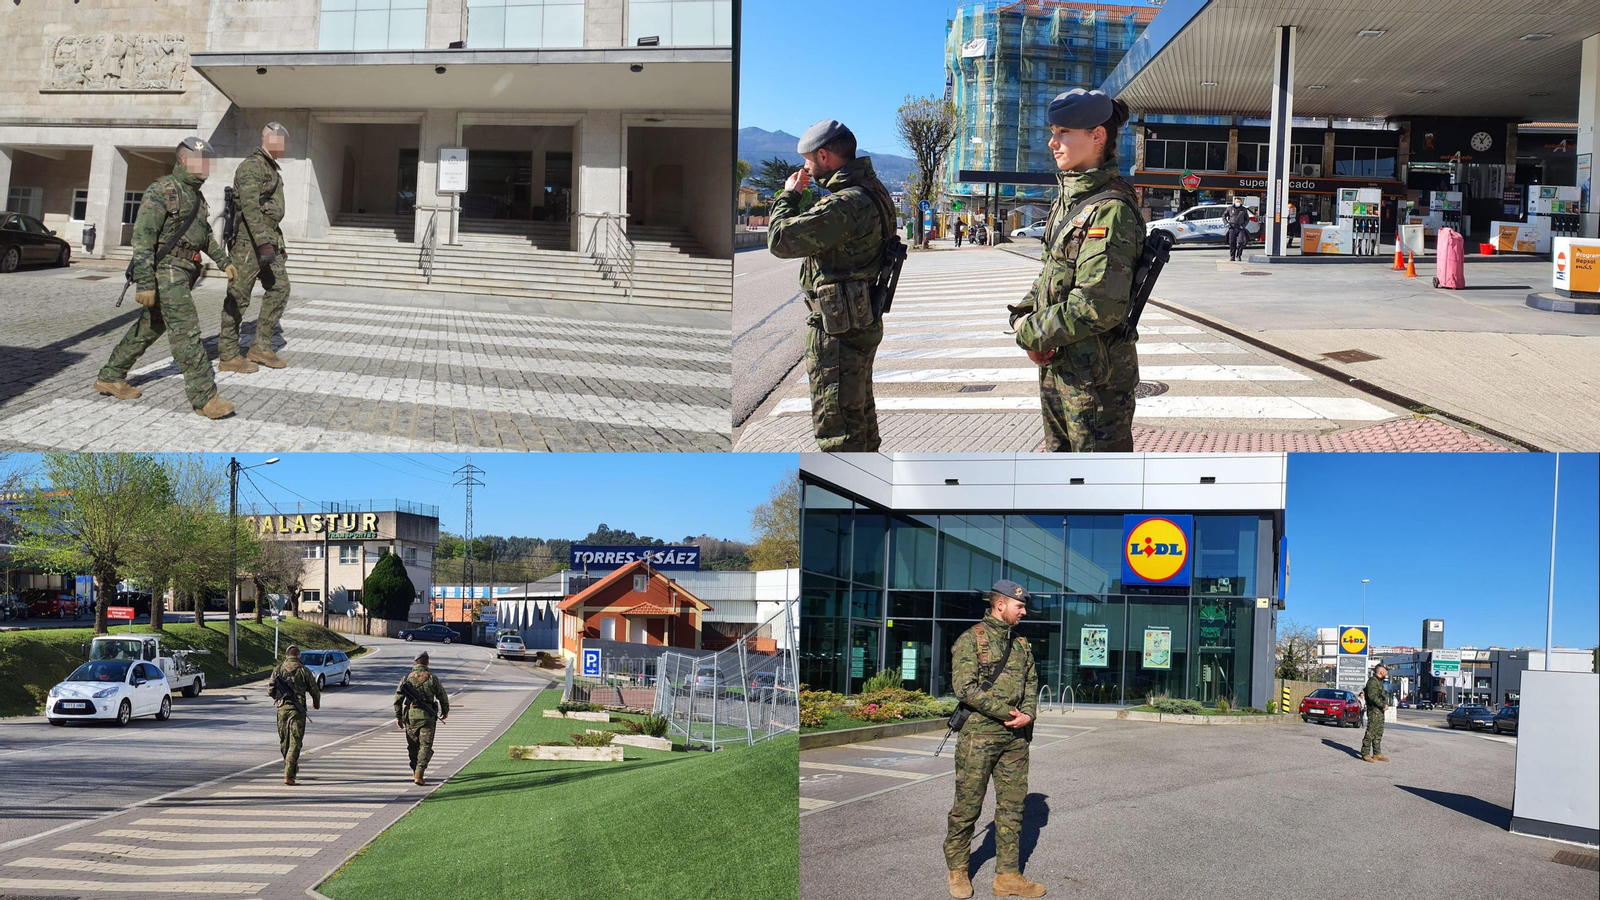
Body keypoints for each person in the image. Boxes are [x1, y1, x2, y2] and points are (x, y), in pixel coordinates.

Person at [1009, 88, 1143, 452]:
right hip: (1063, 367)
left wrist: (1032, 332)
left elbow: (1097, 306)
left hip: (1096, 384)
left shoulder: (1110, 210)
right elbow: (1051, 273)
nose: (1053, 143)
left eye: (1064, 132)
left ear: (1097, 135)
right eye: (1053, 132)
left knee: (1100, 493)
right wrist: (1023, 316)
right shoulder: (1071, 200)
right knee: (1062, 481)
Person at [766, 119, 897, 452]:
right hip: (861, 319)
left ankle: (848, 493)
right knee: (859, 415)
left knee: (838, 429)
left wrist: (788, 196)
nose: (806, 167)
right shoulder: (875, 190)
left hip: (838, 330)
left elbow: (780, 240)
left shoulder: (846, 203)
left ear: (824, 156)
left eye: (809, 160)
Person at [95, 136, 238, 418]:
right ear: (185, 161)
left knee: (150, 327)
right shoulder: (162, 189)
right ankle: (205, 398)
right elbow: (143, 238)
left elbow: (204, 236)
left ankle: (111, 375)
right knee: (186, 330)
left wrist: (224, 261)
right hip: (167, 270)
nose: (207, 165)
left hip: (185, 271)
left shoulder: (195, 195)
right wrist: (146, 283)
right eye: (202, 160)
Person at [944, 580, 1042, 899]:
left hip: (1016, 739)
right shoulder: (970, 640)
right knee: (968, 805)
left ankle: (1008, 876)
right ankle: (958, 869)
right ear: (1000, 604)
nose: (1024, 611)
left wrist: (1027, 713)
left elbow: (1031, 682)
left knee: (1013, 807)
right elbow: (965, 689)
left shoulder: (1022, 645)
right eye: (1020, 606)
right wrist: (1006, 712)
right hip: (979, 737)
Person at [221, 122, 292, 371]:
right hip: (247, 244)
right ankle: (228, 354)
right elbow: (250, 209)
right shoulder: (252, 166)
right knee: (238, 296)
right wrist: (263, 243)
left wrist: (277, 244)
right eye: (281, 140)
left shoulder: (270, 169)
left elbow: (270, 214)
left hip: (266, 241)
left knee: (280, 288)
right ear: (269, 139)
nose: (284, 146)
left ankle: (261, 346)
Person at [395, 651, 450, 785]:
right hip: (427, 718)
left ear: (415, 663)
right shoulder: (432, 678)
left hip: (411, 717)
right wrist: (445, 710)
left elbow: (398, 699)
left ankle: (415, 771)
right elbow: (442, 696)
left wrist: (399, 717)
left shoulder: (407, 678)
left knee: (413, 746)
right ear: (427, 663)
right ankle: (419, 773)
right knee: (425, 746)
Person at [269, 645, 321, 785]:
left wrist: (279, 698)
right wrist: (316, 704)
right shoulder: (304, 670)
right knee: (295, 742)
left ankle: (290, 766)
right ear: (299, 656)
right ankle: (289, 775)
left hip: (281, 710)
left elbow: (270, 690)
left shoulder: (278, 669)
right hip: (297, 711)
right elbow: (315, 690)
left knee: (284, 740)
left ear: (286, 656)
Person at [1361, 662, 1389, 763]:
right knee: (1371, 732)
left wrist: (1385, 704)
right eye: (1386, 671)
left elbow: (1382, 695)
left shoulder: (1379, 681)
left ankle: (1377, 753)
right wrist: (1382, 704)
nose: (1387, 672)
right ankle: (1365, 753)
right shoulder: (1373, 681)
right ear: (1381, 671)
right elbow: (1372, 696)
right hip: (1374, 710)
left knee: (1378, 732)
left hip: (1379, 711)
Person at [1224, 197, 1250, 261]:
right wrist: (1226, 223)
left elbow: (1247, 219)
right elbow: (1224, 216)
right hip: (1232, 227)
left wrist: (1243, 225)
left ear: (1241, 202)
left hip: (1240, 228)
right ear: (1234, 202)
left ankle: (1239, 255)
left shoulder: (1244, 209)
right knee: (1232, 242)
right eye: (1236, 202)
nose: (1238, 203)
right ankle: (1232, 256)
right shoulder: (1230, 208)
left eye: (1239, 202)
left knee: (1241, 241)